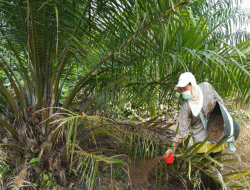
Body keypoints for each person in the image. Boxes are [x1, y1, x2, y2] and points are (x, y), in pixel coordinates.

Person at [165, 72, 227, 189]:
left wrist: (224, 121)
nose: (183, 92)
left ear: (192, 84)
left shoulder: (207, 88)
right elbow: (181, 129)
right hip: (201, 143)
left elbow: (220, 102)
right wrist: (172, 147)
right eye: (181, 90)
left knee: (216, 169)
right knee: (204, 172)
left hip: (216, 134)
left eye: (185, 88)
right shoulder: (186, 107)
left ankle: (217, 187)